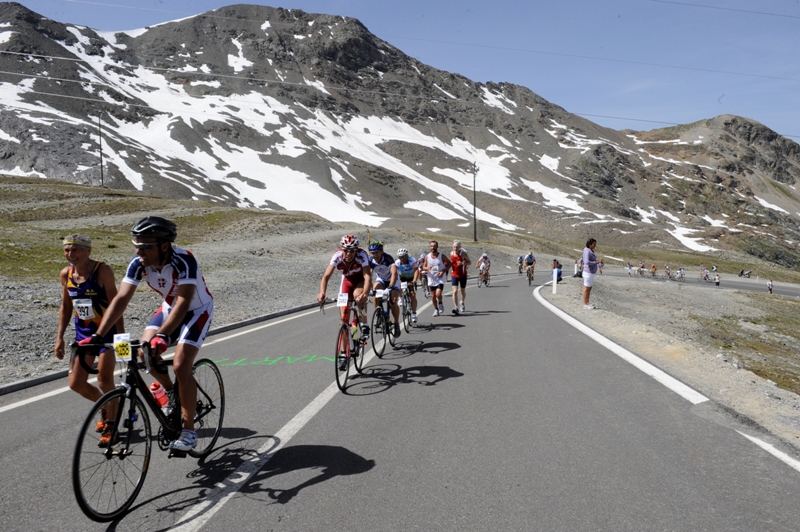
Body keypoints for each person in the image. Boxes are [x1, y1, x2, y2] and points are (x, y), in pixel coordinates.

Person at [81, 216, 214, 452]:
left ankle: (189, 430)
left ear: (164, 245)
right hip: (169, 309)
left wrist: (162, 335)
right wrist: (98, 336)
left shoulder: (184, 260)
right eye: (136, 245)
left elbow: (183, 301)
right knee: (144, 353)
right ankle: (173, 393)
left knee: (182, 365)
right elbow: (121, 298)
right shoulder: (138, 262)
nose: (139, 251)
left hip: (196, 311)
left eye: (145, 246)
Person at [55, 234, 124, 445]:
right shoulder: (66, 274)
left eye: (75, 249)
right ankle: (104, 406)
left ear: (88, 251)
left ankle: (112, 425)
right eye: (67, 250)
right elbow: (66, 307)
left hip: (107, 334)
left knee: (104, 380)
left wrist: (122, 341)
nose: (70, 254)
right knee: (76, 383)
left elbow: (116, 305)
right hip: (84, 336)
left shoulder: (102, 271)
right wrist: (59, 337)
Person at [318, 235, 372, 364]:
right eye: (346, 250)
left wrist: (365, 293)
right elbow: (325, 276)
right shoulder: (337, 256)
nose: (348, 253)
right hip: (346, 281)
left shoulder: (362, 255)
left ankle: (364, 324)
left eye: (352, 250)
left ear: (356, 250)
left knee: (358, 296)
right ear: (341, 249)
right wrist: (322, 293)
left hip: (360, 280)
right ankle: (343, 352)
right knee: (343, 320)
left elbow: (368, 278)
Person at [368, 241, 401, 337]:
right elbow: (369, 274)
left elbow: (394, 273)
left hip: (392, 280)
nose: (374, 255)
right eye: (372, 253)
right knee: (375, 291)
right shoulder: (370, 259)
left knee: (393, 301)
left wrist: (390, 287)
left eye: (376, 252)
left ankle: (396, 323)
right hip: (381, 278)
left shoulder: (388, 258)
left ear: (382, 251)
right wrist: (368, 288)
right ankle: (378, 313)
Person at [422, 240, 451, 316]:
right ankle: (436, 309)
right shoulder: (427, 257)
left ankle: (440, 303)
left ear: (437, 247)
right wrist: (427, 268)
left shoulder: (442, 256)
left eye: (434, 246)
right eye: (431, 246)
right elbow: (423, 267)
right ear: (430, 247)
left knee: (438, 294)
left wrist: (443, 271)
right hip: (431, 278)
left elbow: (450, 264)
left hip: (440, 277)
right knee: (433, 296)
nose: (433, 247)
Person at [395, 249, 419, 323]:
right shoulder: (397, 262)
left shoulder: (412, 260)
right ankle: (400, 297)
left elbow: (416, 270)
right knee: (399, 287)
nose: (402, 259)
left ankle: (414, 314)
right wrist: (399, 282)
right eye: (400, 257)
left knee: (412, 294)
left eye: (403, 257)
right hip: (402, 277)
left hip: (411, 277)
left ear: (407, 256)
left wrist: (414, 280)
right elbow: (395, 274)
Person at [450, 240, 471, 314]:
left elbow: (469, 262)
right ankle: (455, 307)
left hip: (462, 275)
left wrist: (462, 263)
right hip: (454, 274)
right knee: (455, 291)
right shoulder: (451, 254)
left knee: (462, 291)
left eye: (457, 247)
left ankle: (462, 302)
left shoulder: (463, 254)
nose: (455, 248)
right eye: (454, 247)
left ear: (460, 247)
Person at [582, 238, 598, 309]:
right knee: (586, 288)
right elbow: (586, 262)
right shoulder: (587, 251)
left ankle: (587, 303)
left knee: (589, 288)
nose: (595, 246)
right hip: (588, 272)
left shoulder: (590, 251)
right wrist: (595, 262)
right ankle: (585, 304)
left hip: (591, 272)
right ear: (590, 244)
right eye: (594, 244)